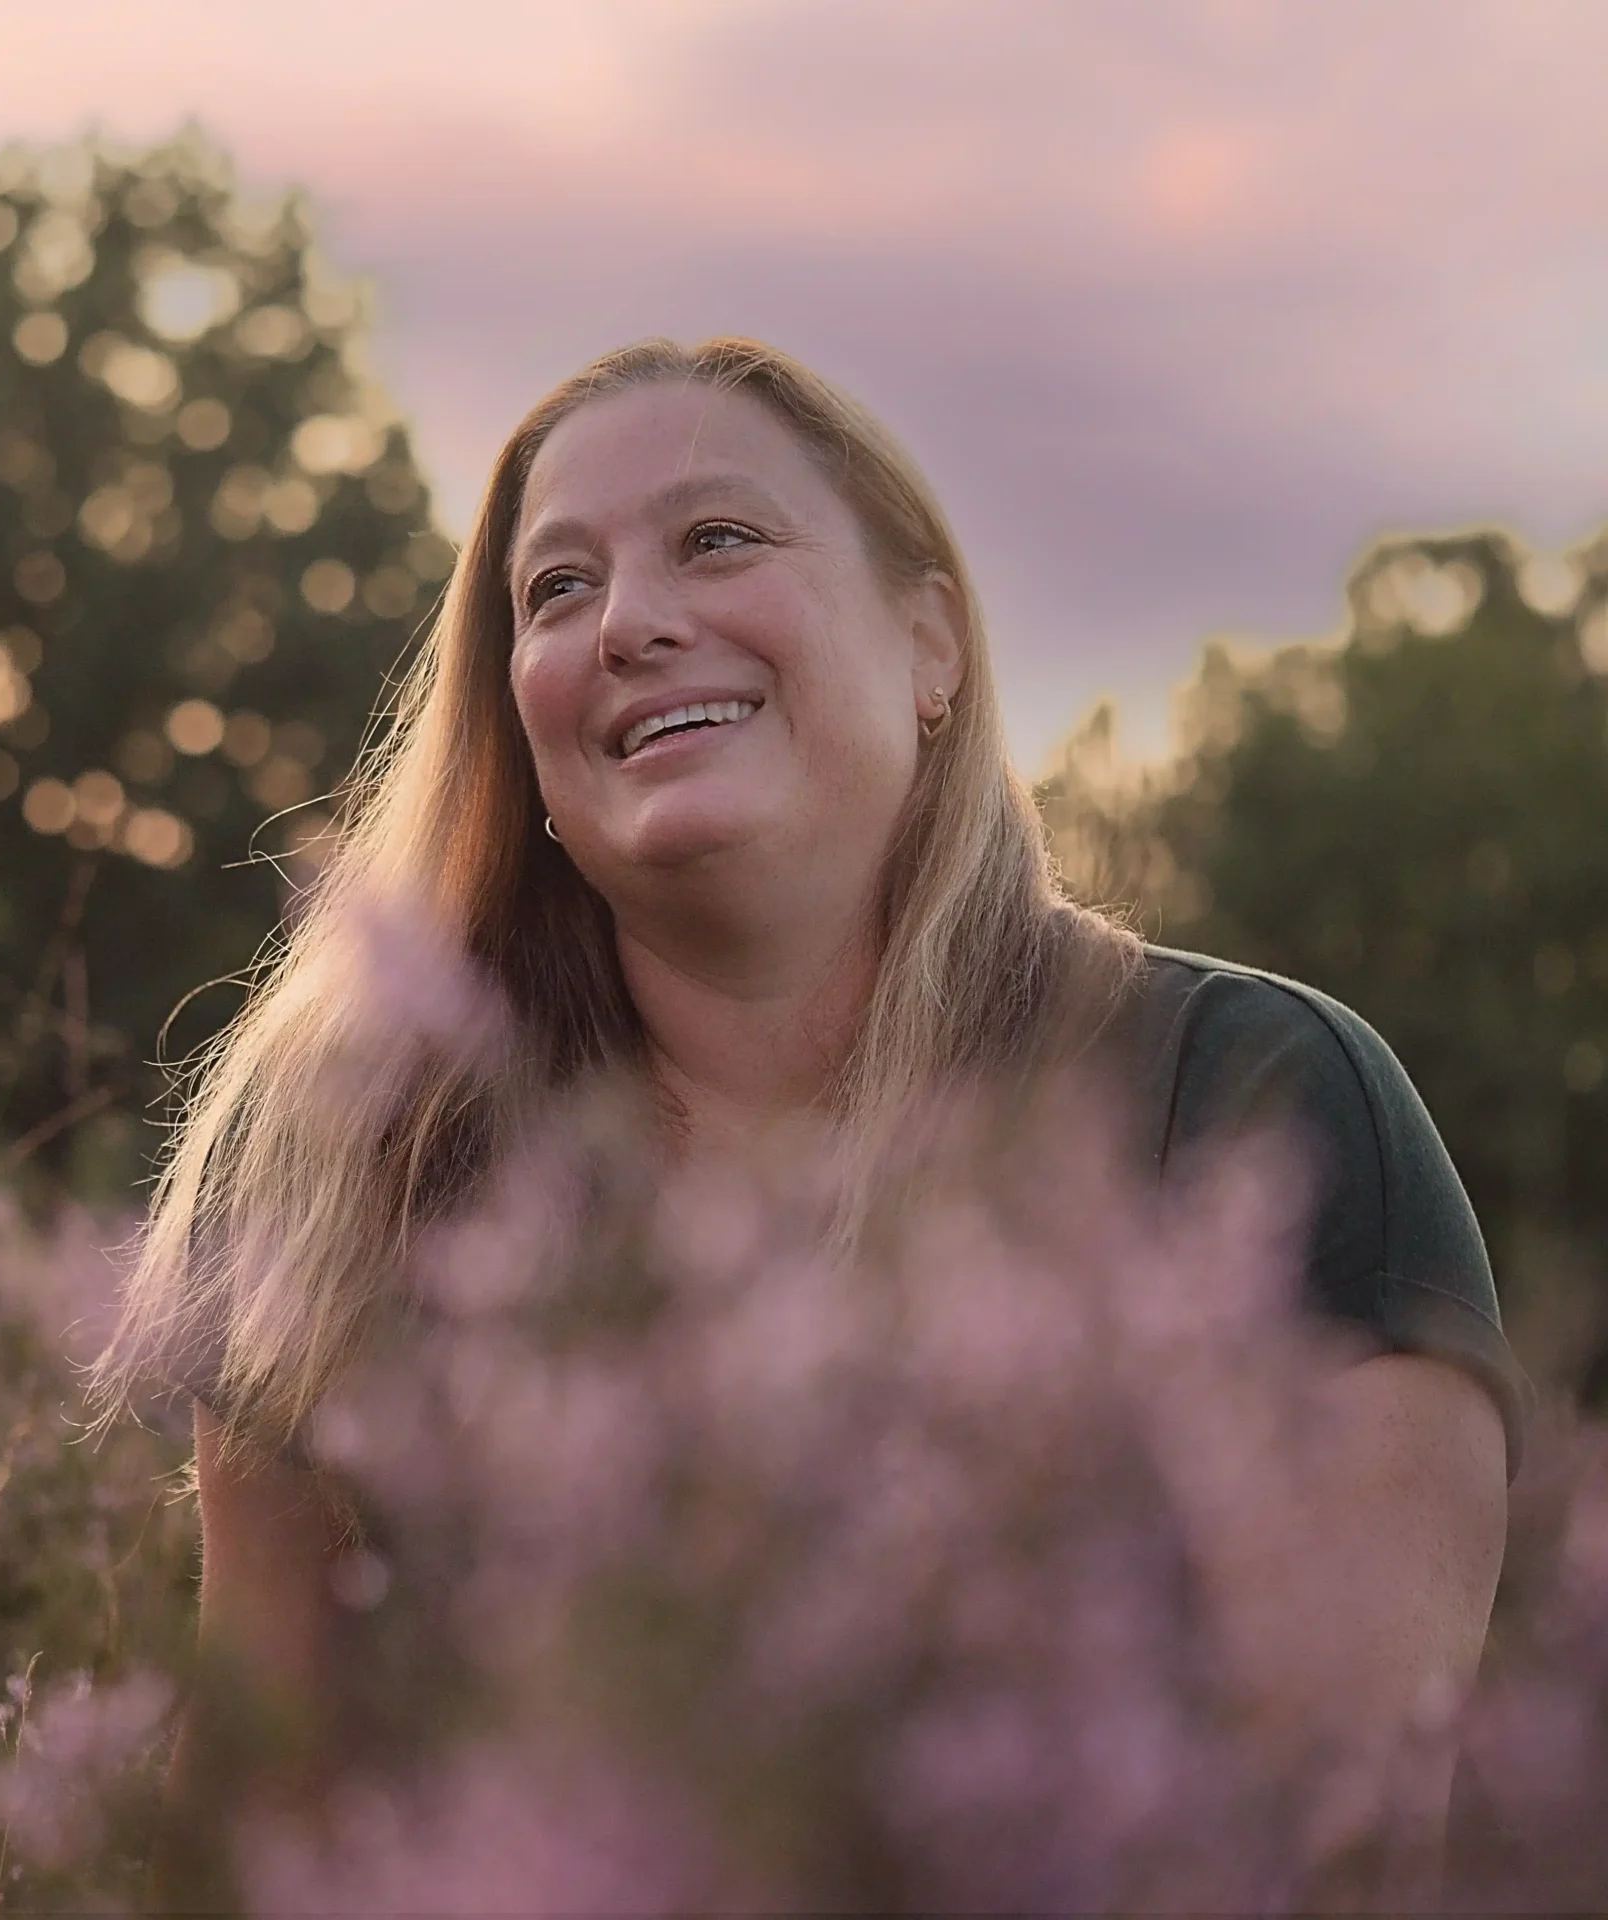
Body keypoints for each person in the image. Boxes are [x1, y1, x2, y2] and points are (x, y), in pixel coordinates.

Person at [83, 337, 1529, 1903]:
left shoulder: (1255, 1100)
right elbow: (243, 1832)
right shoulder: (347, 1158)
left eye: (718, 539)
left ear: (934, 647)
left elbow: (1347, 1847)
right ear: (524, 735)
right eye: (556, 590)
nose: (630, 619)